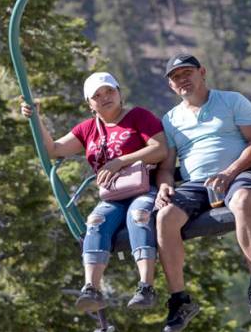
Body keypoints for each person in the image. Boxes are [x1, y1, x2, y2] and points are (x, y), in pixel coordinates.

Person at [20, 72, 166, 313]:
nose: (105, 97)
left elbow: (159, 148)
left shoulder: (138, 117)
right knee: (95, 221)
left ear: (119, 92)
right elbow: (54, 150)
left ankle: (146, 286)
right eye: (97, 95)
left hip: (142, 187)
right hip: (112, 195)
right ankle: (91, 287)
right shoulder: (88, 129)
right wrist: (35, 118)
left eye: (109, 91)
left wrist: (120, 161)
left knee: (139, 215)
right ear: (89, 104)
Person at [154, 53, 251, 332]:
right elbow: (167, 167)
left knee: (242, 202)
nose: (182, 80)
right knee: (164, 217)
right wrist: (165, 184)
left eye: (187, 73)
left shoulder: (231, 100)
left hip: (238, 173)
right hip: (196, 185)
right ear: (171, 86)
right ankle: (180, 299)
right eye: (175, 77)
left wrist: (230, 172)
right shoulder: (170, 119)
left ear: (202, 72)